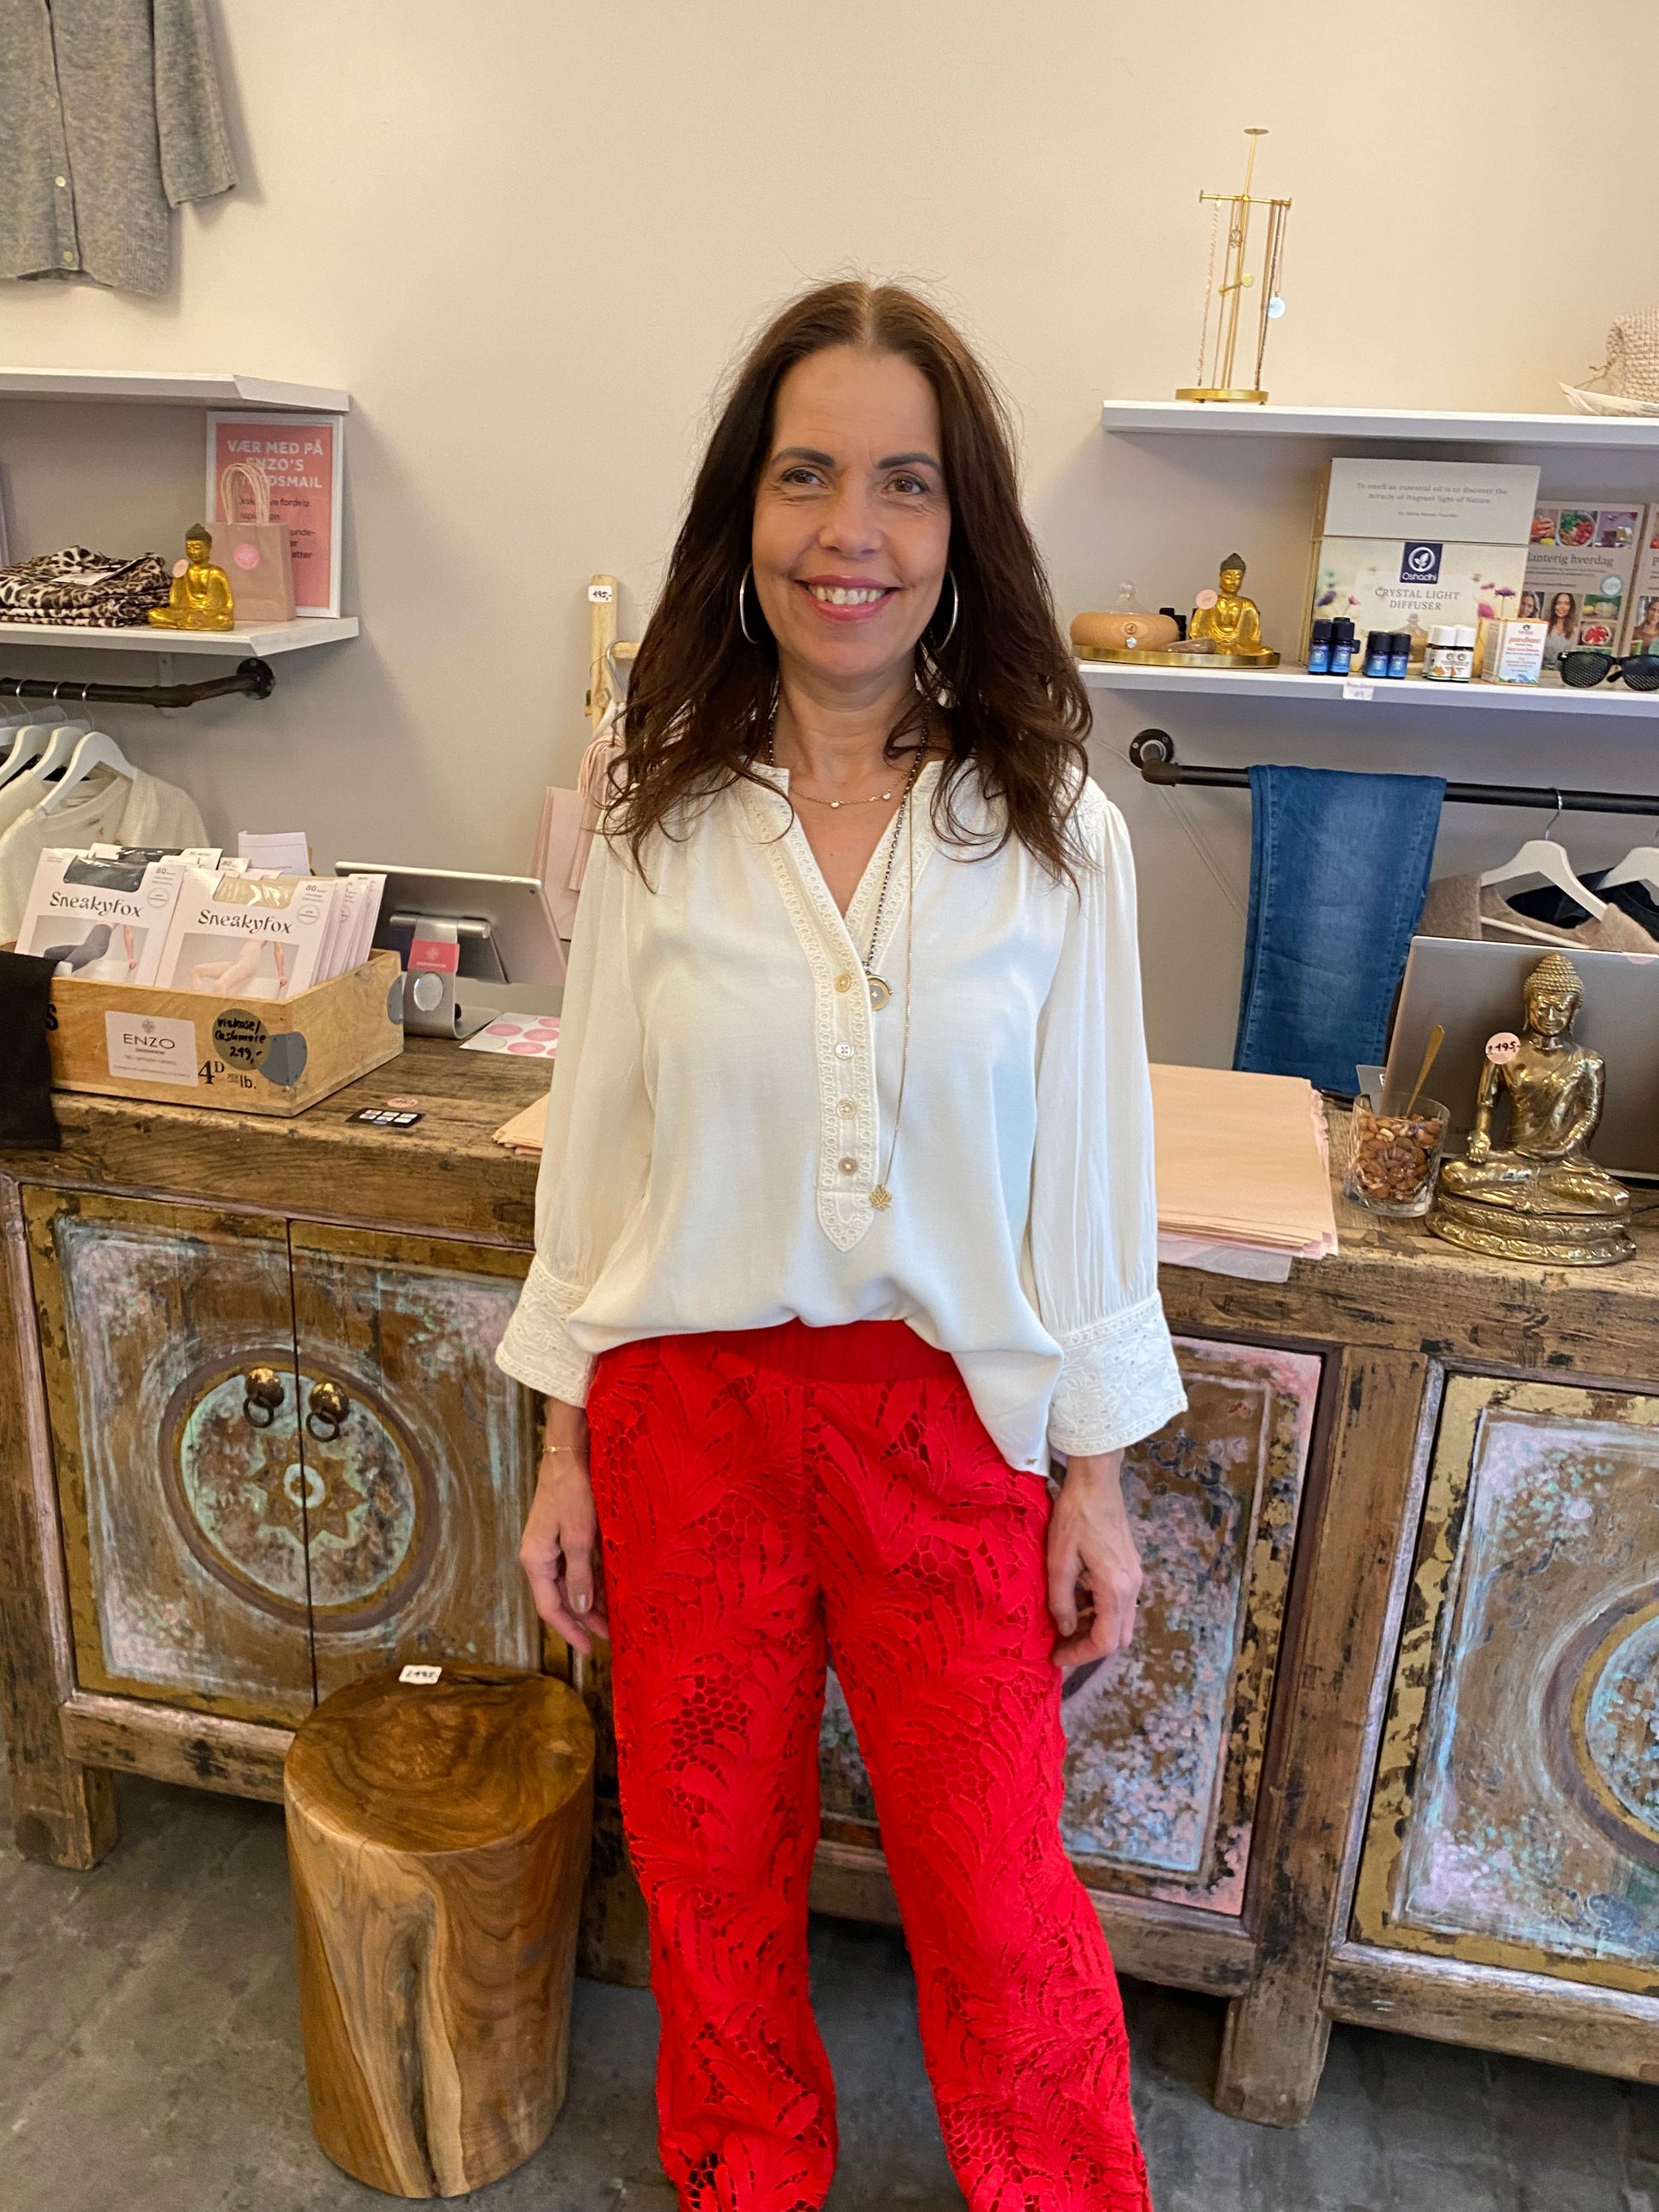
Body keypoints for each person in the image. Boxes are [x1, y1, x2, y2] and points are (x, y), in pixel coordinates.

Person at [497, 278, 1185, 2212]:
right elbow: (602, 1142)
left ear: (962, 528)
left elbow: (1089, 1175)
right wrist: (564, 1444)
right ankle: (744, 2176)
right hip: (685, 1414)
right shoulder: (654, 807)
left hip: (940, 1427)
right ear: (745, 511)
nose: (848, 532)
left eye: (903, 482)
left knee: (993, 1882)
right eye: (805, 476)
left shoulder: (1049, 826)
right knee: (705, 1861)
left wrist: (1094, 1482)